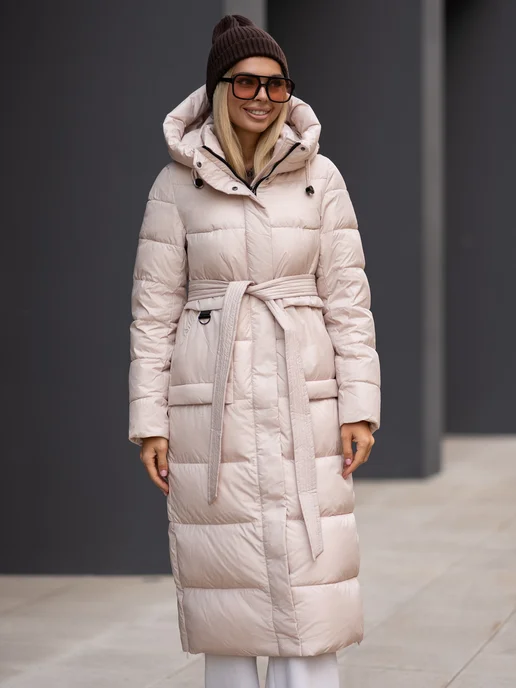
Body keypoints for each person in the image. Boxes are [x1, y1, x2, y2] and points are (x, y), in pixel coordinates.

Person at [128, 14, 381, 688]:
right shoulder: (175, 184)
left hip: (306, 398)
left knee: (311, 589)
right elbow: (153, 312)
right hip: (213, 404)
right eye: (246, 82)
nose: (262, 97)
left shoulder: (320, 177)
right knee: (227, 592)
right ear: (219, 89)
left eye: (275, 84)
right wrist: (150, 421)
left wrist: (360, 406)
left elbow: (349, 301)